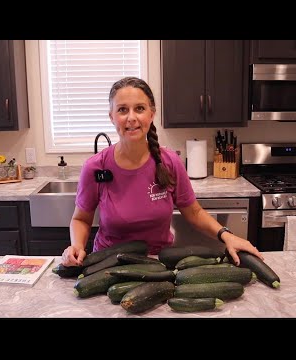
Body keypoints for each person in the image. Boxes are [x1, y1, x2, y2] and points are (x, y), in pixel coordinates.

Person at [61, 77, 263, 267]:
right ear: (112, 117)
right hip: (108, 265)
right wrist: (77, 245)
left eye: (139, 108)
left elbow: (194, 212)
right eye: (123, 110)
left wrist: (227, 235)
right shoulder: (95, 167)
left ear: (151, 114)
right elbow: (81, 219)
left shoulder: (169, 162)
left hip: (158, 265)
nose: (131, 117)